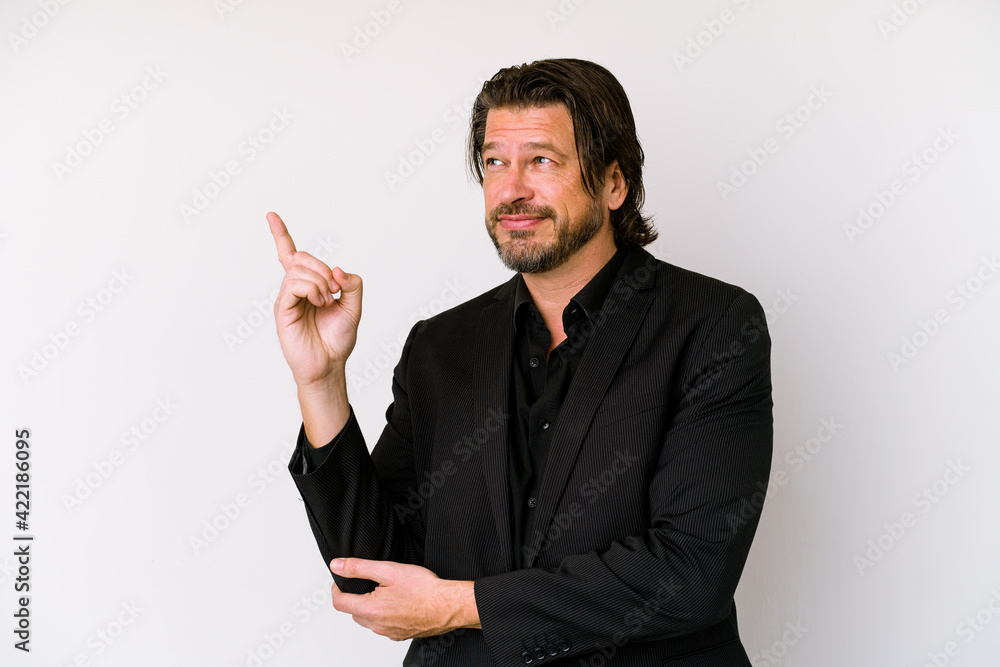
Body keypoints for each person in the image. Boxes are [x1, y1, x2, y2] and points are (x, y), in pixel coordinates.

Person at [268, 58, 773, 666]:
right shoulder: (439, 346)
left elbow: (692, 573)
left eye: (542, 160)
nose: (511, 191)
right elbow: (375, 575)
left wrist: (463, 605)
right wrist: (321, 382)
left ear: (614, 184)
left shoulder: (715, 324)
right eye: (494, 163)